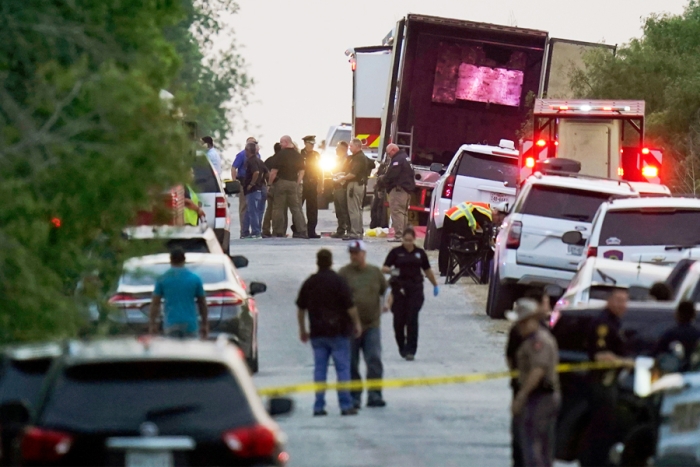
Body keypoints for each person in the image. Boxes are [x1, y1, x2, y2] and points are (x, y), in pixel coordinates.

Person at [296, 249, 363, 416]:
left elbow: (300, 308)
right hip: (339, 332)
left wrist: (303, 329)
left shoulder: (310, 282)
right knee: (342, 370)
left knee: (320, 370)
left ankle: (319, 406)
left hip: (318, 333)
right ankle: (345, 405)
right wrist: (357, 324)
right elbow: (350, 307)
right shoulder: (339, 281)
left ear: (317, 262)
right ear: (331, 261)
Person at [579, 288, 635, 467]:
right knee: (600, 427)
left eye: (625, 301)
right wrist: (626, 362)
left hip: (610, 383)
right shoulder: (603, 324)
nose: (622, 305)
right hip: (601, 383)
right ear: (609, 301)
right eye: (618, 300)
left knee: (606, 427)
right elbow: (601, 356)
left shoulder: (615, 322)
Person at [506, 298, 560, 467]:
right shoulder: (531, 340)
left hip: (540, 398)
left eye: (522, 323)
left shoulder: (539, 342)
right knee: (539, 445)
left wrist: (521, 396)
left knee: (533, 445)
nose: (519, 327)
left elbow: (538, 371)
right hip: (539, 397)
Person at [339, 240, 388, 409]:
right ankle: (355, 397)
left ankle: (375, 394)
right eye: (351, 253)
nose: (354, 256)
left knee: (374, 359)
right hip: (350, 327)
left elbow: (385, 290)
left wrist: (387, 303)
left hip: (372, 324)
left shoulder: (374, 272)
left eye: (357, 253)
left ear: (364, 254)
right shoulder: (343, 274)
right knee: (351, 363)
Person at [382, 227, 439, 360]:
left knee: (412, 319)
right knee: (399, 321)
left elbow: (427, 270)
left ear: (414, 239)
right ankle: (402, 346)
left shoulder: (420, 253)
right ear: (402, 240)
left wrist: (435, 285)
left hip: (415, 288)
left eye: (410, 240)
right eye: (405, 240)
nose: (408, 243)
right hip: (399, 289)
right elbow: (384, 268)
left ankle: (411, 350)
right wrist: (394, 272)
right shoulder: (395, 253)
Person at [149, 249, 208, 339]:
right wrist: (205, 323)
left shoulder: (163, 278)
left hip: (171, 323)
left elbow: (155, 303)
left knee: (173, 351)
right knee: (191, 351)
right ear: (184, 260)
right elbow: (202, 303)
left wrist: (153, 323)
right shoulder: (194, 279)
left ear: (171, 260)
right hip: (190, 324)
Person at [438, 201, 493, 276]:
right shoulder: (487, 214)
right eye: (499, 220)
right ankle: (466, 267)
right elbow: (487, 230)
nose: (497, 222)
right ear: (496, 214)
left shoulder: (483, 208)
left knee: (445, 242)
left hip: (451, 214)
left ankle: (444, 269)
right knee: (469, 240)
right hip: (458, 218)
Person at [269, 135, 308, 238]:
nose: (280, 145)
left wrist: (269, 184)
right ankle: (302, 231)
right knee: (296, 208)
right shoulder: (298, 155)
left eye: (281, 143)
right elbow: (302, 171)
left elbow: (274, 172)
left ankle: (278, 231)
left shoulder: (280, 155)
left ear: (285, 142)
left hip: (281, 183)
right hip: (293, 183)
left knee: (278, 208)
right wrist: (297, 182)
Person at [381, 144, 415, 242]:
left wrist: (383, 181)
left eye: (389, 153)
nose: (389, 155)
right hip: (406, 190)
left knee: (397, 212)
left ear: (393, 150)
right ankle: (404, 235)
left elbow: (391, 175)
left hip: (398, 190)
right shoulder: (406, 158)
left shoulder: (398, 160)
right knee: (403, 213)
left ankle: (399, 235)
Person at [654, 300, 700, 369]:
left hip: (672, 372)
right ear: (694, 315)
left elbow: (656, 353)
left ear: (677, 314)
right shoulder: (697, 334)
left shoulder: (670, 334)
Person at [231, 137, 261, 238]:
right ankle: (244, 231)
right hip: (244, 182)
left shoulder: (257, 155)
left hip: (253, 183)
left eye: (255, 143)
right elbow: (234, 167)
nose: (254, 145)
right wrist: (234, 181)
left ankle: (254, 230)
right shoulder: (241, 155)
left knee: (253, 208)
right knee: (244, 207)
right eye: (252, 143)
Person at [340, 138, 367, 240]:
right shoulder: (358, 157)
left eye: (351, 146)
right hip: (358, 185)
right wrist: (341, 174)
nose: (349, 148)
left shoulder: (358, 158)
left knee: (353, 210)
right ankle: (358, 231)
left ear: (357, 146)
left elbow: (353, 174)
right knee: (358, 209)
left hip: (355, 185)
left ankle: (355, 232)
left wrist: (342, 178)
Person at [243, 141, 268, 239]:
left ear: (248, 150)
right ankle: (247, 232)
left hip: (252, 190)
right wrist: (263, 182)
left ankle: (256, 232)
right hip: (259, 188)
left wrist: (252, 184)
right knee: (254, 211)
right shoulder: (260, 161)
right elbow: (267, 173)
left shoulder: (251, 161)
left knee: (252, 211)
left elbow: (256, 172)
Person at [262, 143, 287, 237]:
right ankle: (277, 230)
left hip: (269, 186)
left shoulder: (268, 160)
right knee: (278, 209)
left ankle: (265, 229)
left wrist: (267, 184)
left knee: (269, 209)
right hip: (278, 186)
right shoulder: (281, 160)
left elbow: (264, 173)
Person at [300, 135, 323, 238]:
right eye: (310, 144)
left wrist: (321, 184)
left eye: (313, 144)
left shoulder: (316, 155)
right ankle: (298, 229)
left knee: (313, 209)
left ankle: (311, 231)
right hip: (302, 184)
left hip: (313, 184)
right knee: (298, 208)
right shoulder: (300, 154)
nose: (312, 146)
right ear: (305, 143)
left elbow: (320, 170)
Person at [331, 141, 351, 238]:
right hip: (336, 186)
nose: (336, 150)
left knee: (344, 210)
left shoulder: (347, 160)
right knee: (338, 210)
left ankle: (348, 229)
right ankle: (341, 229)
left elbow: (346, 173)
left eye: (337, 148)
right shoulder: (337, 160)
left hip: (343, 187)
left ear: (342, 149)